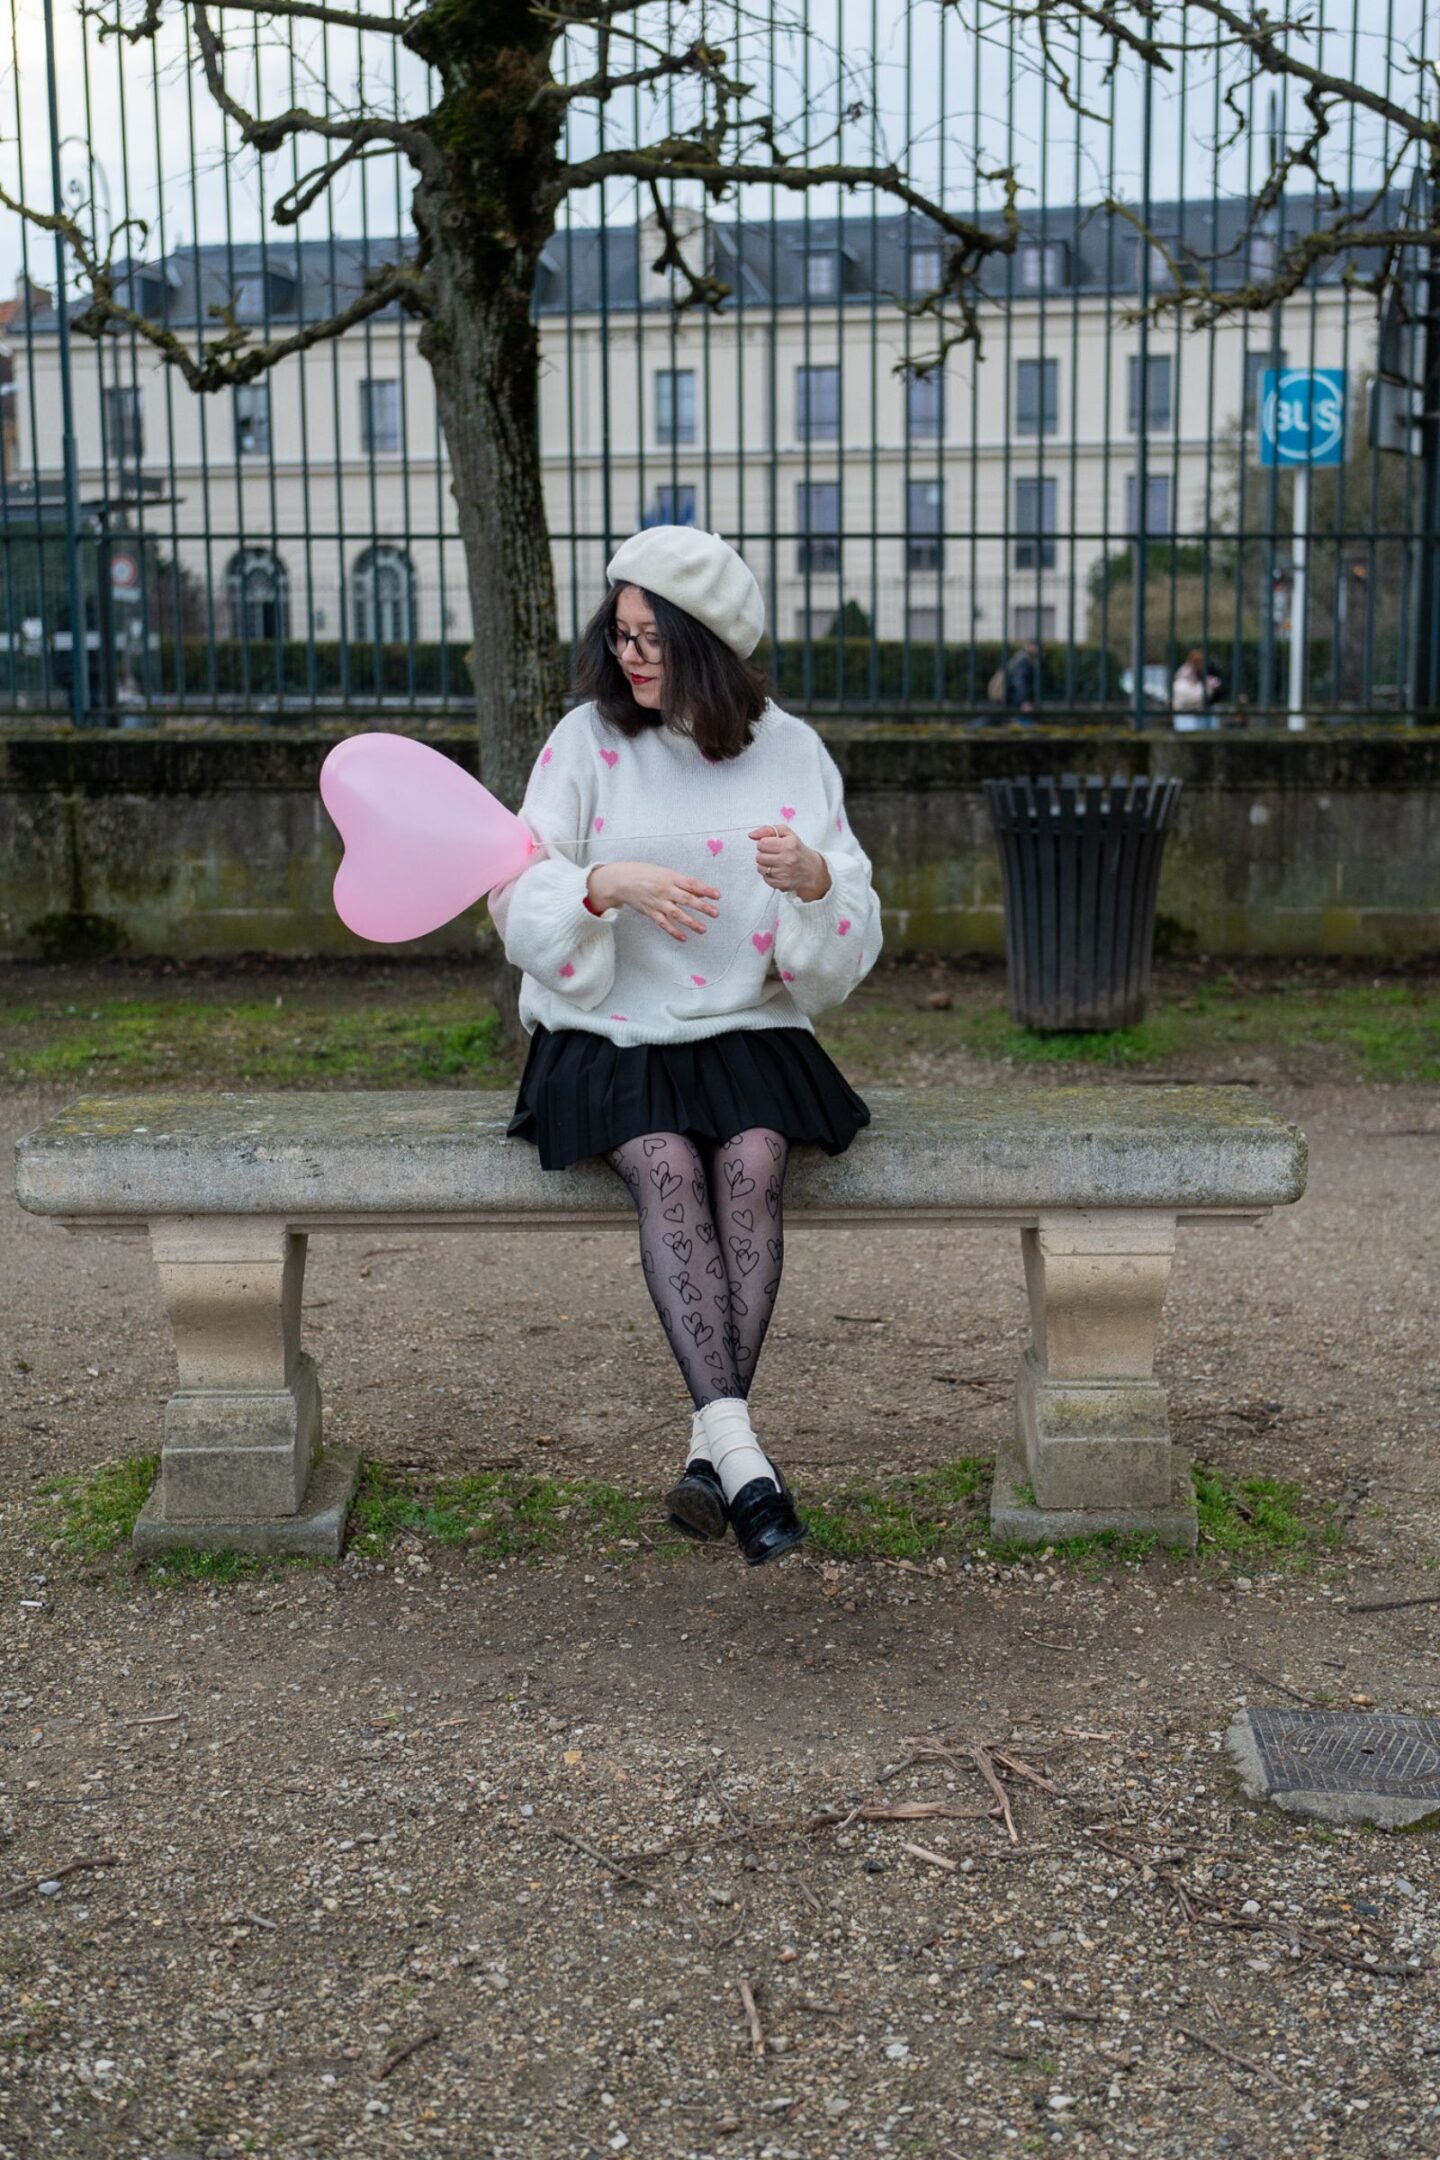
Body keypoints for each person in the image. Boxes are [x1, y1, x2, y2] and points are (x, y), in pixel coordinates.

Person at [488, 527, 881, 1568]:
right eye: (619, 635)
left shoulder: (791, 750)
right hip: (605, 1034)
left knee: (752, 1159)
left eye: (653, 637)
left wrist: (814, 884)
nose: (631, 657)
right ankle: (745, 1457)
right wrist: (598, 885)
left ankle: (717, 1454)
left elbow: (850, 927)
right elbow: (514, 892)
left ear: (707, 642)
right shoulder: (583, 744)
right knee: (666, 1164)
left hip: (744, 1029)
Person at [1171, 648, 1224, 714]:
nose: (1202, 665)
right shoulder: (1186, 671)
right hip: (1184, 708)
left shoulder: (1197, 672)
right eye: (1201, 662)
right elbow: (1192, 694)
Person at [1004, 638, 1041, 720]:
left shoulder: (1025, 658)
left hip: (1016, 698)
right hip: (1017, 700)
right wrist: (1024, 701)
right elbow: (1019, 682)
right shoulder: (1024, 660)